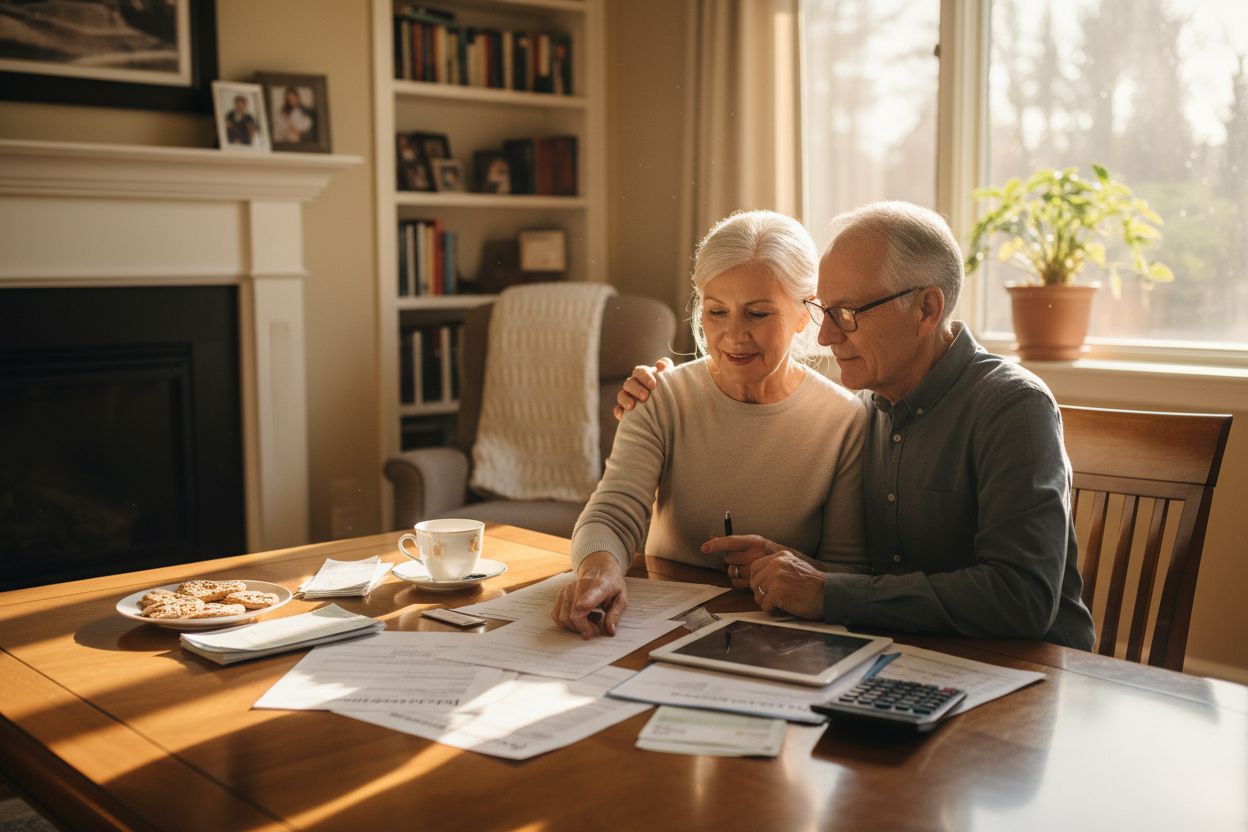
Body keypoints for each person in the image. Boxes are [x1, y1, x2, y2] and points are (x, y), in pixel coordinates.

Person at [616, 201, 1096, 649]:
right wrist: (799, 567)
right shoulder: (871, 408)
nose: (825, 335)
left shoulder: (1013, 406)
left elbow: (1022, 599)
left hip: (1030, 675)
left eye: (847, 313)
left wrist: (829, 591)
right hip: (907, 655)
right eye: (825, 311)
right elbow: (877, 579)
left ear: (927, 309)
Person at [551, 210, 870, 639]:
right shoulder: (659, 396)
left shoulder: (844, 419)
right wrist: (600, 570)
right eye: (717, 312)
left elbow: (849, 570)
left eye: (757, 314)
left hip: (782, 634)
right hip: (657, 627)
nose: (734, 335)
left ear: (802, 313)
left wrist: (786, 562)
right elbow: (612, 513)